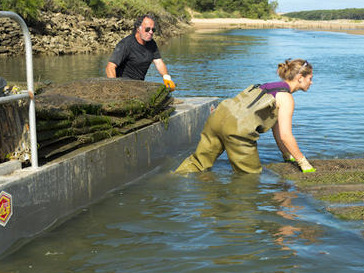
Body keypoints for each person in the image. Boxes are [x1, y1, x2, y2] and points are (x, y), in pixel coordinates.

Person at [175, 59, 315, 174]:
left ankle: (172, 182)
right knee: (249, 178)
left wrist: (287, 156)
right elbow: (286, 136)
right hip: (238, 129)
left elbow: (277, 131)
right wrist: (303, 163)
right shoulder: (286, 97)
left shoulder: (268, 86)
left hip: (216, 119)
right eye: (310, 78)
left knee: (196, 164)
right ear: (300, 78)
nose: (312, 82)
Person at [106, 14, 176, 90]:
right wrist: (115, 88)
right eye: (147, 29)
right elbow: (110, 67)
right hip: (123, 86)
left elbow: (159, 62)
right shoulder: (126, 44)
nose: (151, 32)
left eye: (153, 30)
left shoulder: (152, 44)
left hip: (139, 86)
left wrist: (167, 77)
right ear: (138, 29)